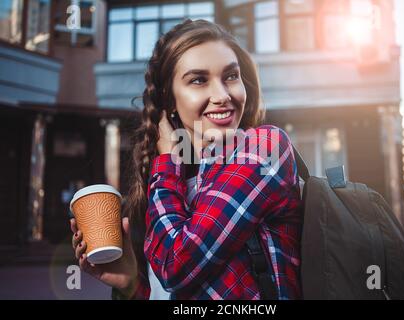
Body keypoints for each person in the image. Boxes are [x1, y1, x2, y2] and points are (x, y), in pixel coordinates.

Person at [70, 19, 302, 300]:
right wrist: (131, 283)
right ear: (169, 98)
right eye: (198, 80)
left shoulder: (264, 148)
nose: (222, 95)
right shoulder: (171, 184)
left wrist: (167, 160)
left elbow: (174, 266)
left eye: (230, 76)